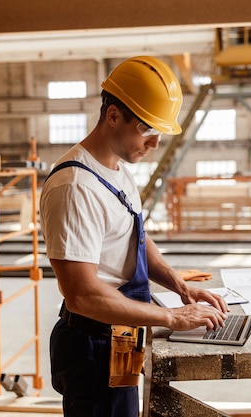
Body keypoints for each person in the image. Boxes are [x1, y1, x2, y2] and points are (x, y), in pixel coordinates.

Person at [39, 55, 229, 417]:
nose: (155, 143)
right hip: (93, 347)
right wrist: (173, 318)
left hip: (120, 336)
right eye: (147, 129)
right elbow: (81, 295)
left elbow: (133, 238)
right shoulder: (75, 187)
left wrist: (180, 286)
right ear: (113, 116)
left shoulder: (117, 170)